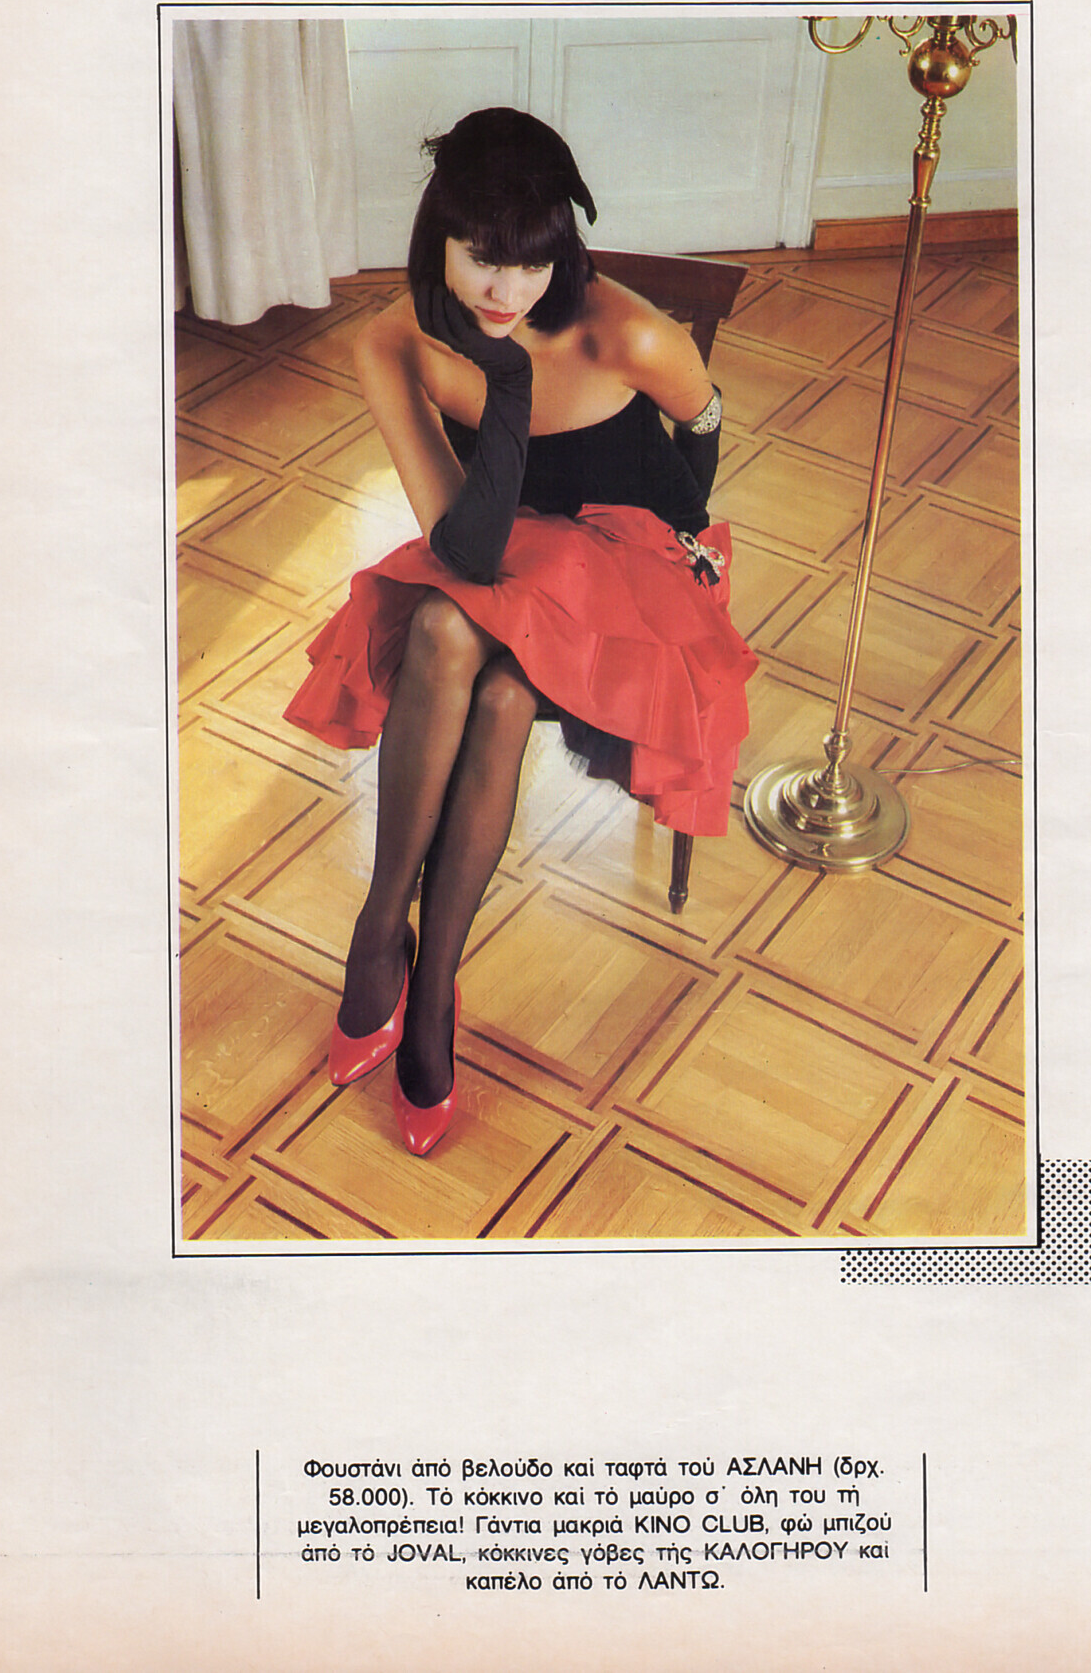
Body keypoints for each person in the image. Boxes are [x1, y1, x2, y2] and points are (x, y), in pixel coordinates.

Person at [285, 108, 756, 1156]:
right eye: (484, 259)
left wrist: (677, 541)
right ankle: (411, 962)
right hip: (495, 556)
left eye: (533, 263)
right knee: (467, 654)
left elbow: (705, 420)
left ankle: (393, 956)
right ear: (438, 238)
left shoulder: (630, 334)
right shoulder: (394, 340)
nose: (508, 290)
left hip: (632, 562)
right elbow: (463, 545)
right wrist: (504, 383)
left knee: (461, 647)